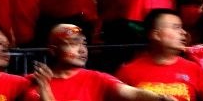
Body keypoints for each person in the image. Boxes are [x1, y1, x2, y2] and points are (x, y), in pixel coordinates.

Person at [28, 24, 175, 101]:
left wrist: (161, 99)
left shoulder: (97, 79)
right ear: (53, 50)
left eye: (84, 43)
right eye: (73, 43)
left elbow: (132, 93)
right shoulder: (29, 83)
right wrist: (44, 88)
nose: (82, 50)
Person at [116, 9, 203, 101]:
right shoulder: (128, 72)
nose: (183, 32)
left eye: (182, 28)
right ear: (156, 34)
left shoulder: (194, 69)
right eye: (176, 27)